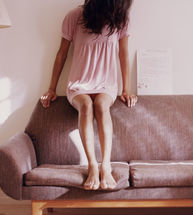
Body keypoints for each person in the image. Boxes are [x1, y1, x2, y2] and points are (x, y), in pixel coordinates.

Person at [40, 0, 138, 190]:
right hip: (79, 84)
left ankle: (106, 166)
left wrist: (126, 88)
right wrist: (51, 88)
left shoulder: (121, 19)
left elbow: (123, 54)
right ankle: (93, 166)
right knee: (86, 106)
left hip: (106, 85)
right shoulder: (74, 16)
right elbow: (62, 53)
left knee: (101, 105)